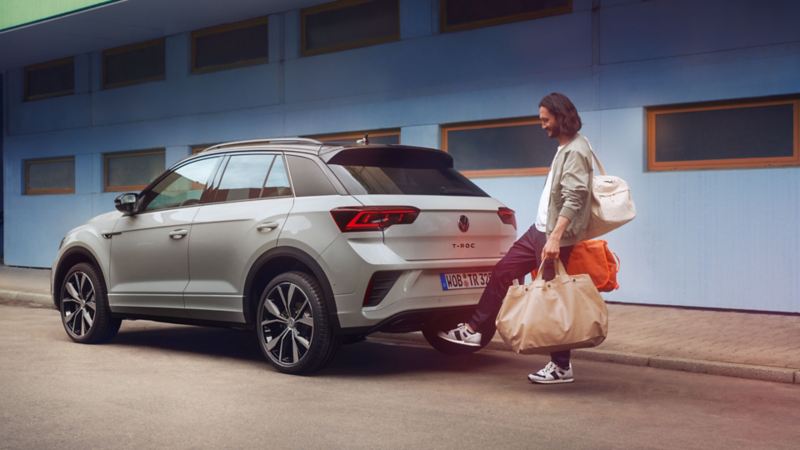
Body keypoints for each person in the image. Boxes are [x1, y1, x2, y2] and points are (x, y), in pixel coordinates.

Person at [439, 92, 593, 384]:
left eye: (545, 120)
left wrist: (555, 238)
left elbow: (575, 197)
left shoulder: (576, 151)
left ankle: (561, 366)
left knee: (552, 297)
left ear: (561, 117)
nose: (543, 125)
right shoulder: (564, 148)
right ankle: (474, 331)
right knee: (503, 272)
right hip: (538, 230)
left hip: (552, 236)